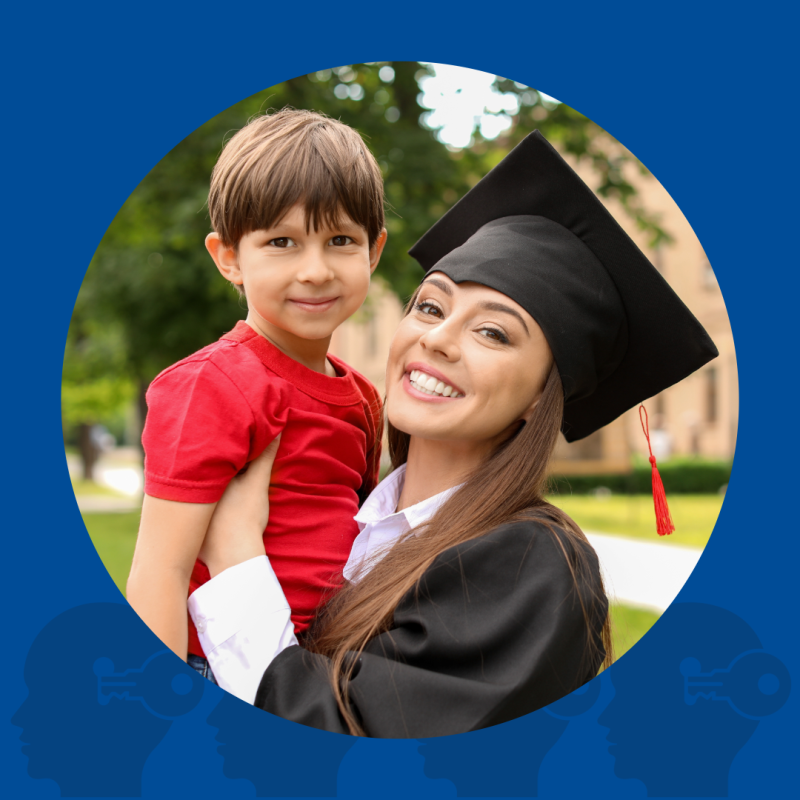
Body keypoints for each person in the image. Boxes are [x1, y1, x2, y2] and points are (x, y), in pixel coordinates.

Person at [187, 131, 718, 737]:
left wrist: (233, 554)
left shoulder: (533, 565)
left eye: (493, 333)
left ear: (542, 395)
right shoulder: (348, 513)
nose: (436, 338)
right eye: (431, 307)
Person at [126, 109, 388, 680]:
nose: (315, 270)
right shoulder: (211, 385)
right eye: (282, 242)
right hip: (217, 665)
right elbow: (159, 572)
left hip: (323, 669)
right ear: (228, 258)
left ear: (374, 251)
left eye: (341, 240)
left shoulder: (363, 397)